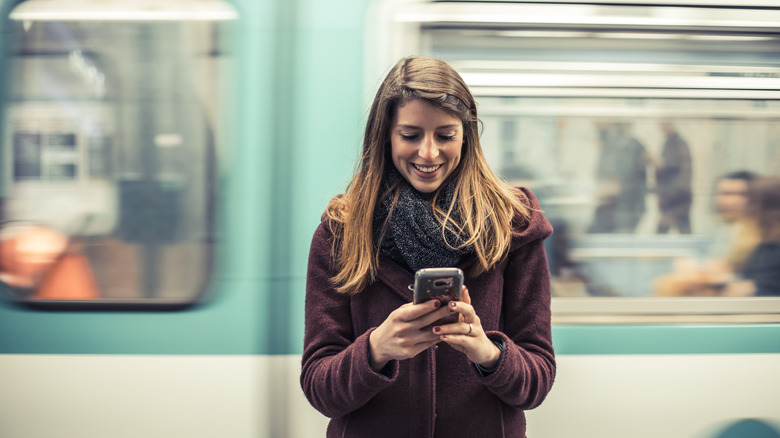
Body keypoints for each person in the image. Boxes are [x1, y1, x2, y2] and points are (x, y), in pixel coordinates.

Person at [300, 56, 555, 437]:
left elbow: (537, 382)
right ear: (385, 136)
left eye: (445, 136)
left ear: (466, 136)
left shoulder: (512, 225)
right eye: (410, 135)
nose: (429, 153)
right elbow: (320, 389)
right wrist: (376, 350)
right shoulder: (341, 232)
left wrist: (487, 353)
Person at [588, 121, 649, 233]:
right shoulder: (607, 144)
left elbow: (627, 182)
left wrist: (613, 187)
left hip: (626, 209)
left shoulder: (632, 146)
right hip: (608, 207)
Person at [734, 176, 780, 296]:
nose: (747, 208)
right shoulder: (764, 247)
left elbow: (759, 288)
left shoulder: (774, 249)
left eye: (753, 202)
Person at [655, 121, 693, 234]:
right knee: (684, 233)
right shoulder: (668, 143)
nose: (662, 127)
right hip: (672, 197)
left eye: (665, 123)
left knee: (661, 233)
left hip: (677, 198)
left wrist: (668, 196)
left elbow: (685, 173)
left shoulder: (679, 144)